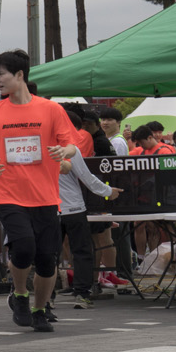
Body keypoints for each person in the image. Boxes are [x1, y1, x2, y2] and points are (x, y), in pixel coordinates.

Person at [0, 50, 80, 334]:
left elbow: (71, 144)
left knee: (47, 259)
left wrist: (63, 151)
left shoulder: (50, 109)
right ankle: (20, 293)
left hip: (46, 196)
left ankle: (40, 310)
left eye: (1, 74)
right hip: (8, 193)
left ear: (20, 75)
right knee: (23, 246)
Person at [57, 103, 120, 308]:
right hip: (74, 208)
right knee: (82, 251)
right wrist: (109, 192)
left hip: (49, 207)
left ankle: (46, 299)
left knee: (49, 252)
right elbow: (86, 177)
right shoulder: (68, 149)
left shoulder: (39, 147)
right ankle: (82, 294)